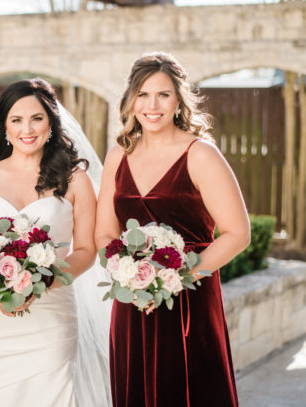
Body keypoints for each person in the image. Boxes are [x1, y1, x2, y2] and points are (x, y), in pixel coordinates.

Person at [95, 52, 250, 407]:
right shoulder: (119, 155)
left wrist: (174, 278)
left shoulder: (200, 155)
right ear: (131, 100)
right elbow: (105, 235)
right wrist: (129, 278)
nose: (153, 105)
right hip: (131, 303)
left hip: (190, 304)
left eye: (163, 95)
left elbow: (237, 233)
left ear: (178, 100)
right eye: (143, 94)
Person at [0, 78, 111, 406]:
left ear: (51, 122)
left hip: (51, 318)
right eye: (16, 119)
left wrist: (41, 282)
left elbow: (86, 251)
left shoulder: (75, 180)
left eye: (37, 118)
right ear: (3, 126)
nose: (27, 129)